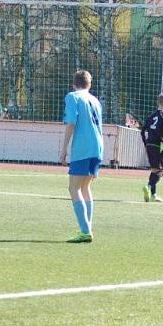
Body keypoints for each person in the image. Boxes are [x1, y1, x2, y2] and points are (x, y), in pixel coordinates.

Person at [60, 70, 103, 243]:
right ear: (89, 84)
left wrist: (64, 149)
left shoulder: (73, 97)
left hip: (83, 147)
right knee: (85, 188)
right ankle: (87, 228)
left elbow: (71, 123)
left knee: (74, 188)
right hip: (97, 147)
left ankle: (85, 231)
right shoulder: (95, 100)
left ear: (74, 83)